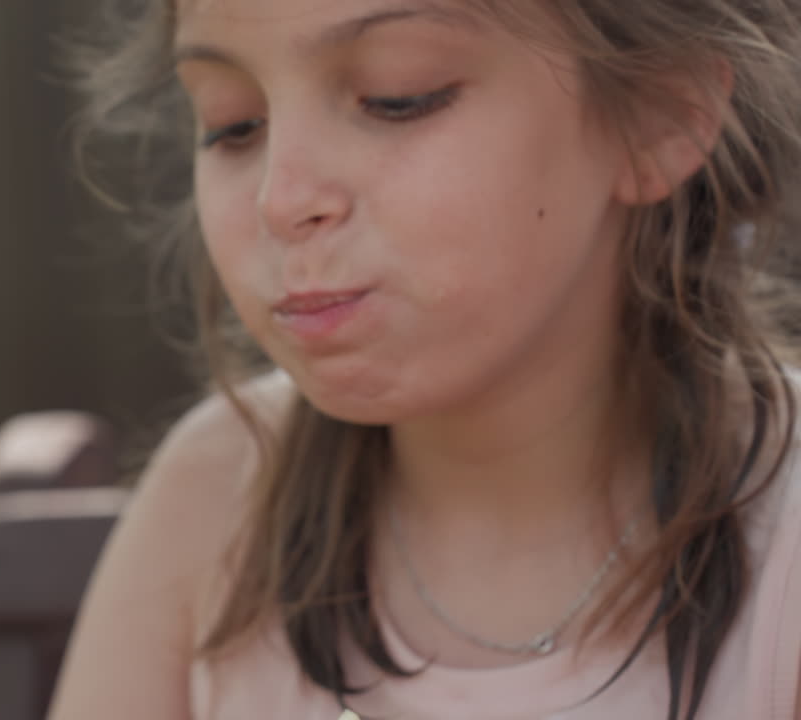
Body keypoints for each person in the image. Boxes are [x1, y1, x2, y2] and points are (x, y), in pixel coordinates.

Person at [49, 1, 801, 718]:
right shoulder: (211, 501)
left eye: (396, 97)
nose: (282, 200)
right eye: (234, 125)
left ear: (663, 114)